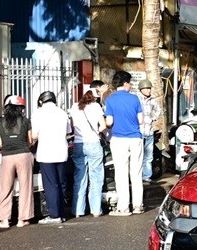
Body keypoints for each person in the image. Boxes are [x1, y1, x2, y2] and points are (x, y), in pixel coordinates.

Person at [104, 70, 144, 216]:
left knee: (121, 173)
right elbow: (140, 120)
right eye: (130, 83)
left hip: (118, 139)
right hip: (135, 138)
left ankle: (123, 207)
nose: (130, 86)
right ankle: (138, 205)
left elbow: (109, 122)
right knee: (136, 172)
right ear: (126, 83)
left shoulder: (110, 100)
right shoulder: (135, 99)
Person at [0, 95, 35, 229]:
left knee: (5, 188)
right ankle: (22, 219)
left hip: (7, 156)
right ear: (20, 108)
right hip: (24, 154)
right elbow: (30, 141)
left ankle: (4, 220)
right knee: (25, 187)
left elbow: (1, 143)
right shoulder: (25, 121)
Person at [32, 91, 71, 224]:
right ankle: (61, 213)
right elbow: (68, 132)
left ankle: (54, 215)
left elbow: (34, 135)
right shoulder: (62, 113)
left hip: (46, 153)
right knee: (61, 183)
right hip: (61, 152)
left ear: (41, 101)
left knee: (50, 185)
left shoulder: (38, 113)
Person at [69, 89, 106, 218]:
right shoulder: (96, 107)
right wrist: (97, 131)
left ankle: (78, 210)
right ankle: (95, 210)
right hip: (93, 143)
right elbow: (103, 126)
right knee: (96, 178)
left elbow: (72, 126)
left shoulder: (75, 107)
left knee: (79, 178)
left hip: (79, 144)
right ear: (95, 97)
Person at [136, 79, 162, 183]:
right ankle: (137, 176)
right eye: (146, 88)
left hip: (149, 132)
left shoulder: (152, 100)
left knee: (148, 156)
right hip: (138, 132)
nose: (149, 90)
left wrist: (154, 118)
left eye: (149, 88)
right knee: (138, 155)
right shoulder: (136, 99)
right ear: (141, 89)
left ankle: (146, 176)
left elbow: (159, 109)